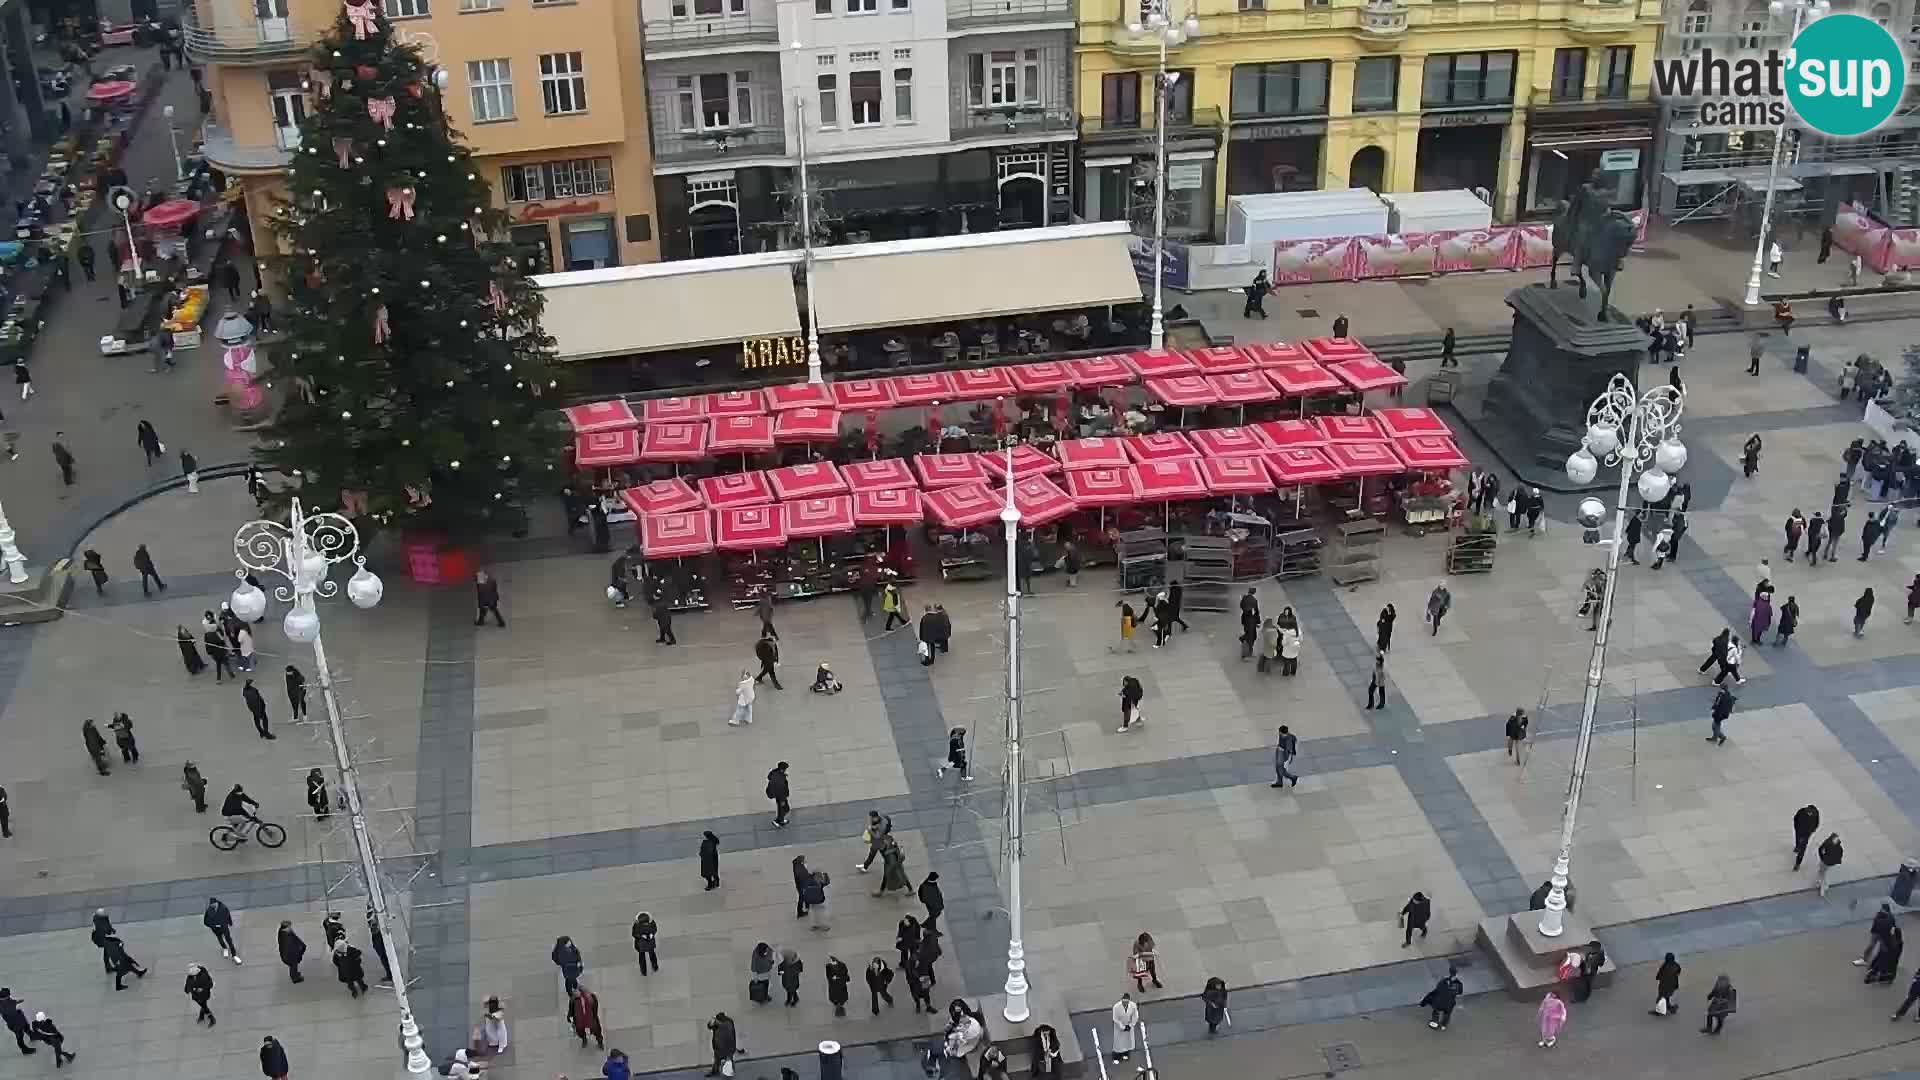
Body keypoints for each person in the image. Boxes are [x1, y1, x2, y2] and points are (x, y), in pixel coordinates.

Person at [1420, 964, 1463, 1030]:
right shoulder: (1459, 984)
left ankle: (1434, 1022)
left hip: (1439, 1002)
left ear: (1450, 972)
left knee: (1436, 1010)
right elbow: (1460, 992)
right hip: (1449, 1004)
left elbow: (1437, 989)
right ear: (1456, 974)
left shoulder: (1443, 981)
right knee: (1447, 1014)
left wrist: (1424, 1002)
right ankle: (1443, 1025)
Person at [1859, 902, 1898, 968]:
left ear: (1885, 909)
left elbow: (1893, 927)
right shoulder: (1879, 914)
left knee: (1883, 949)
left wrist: (1892, 935)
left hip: (1883, 935)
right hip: (1876, 934)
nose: (1881, 910)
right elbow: (1875, 923)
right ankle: (1865, 959)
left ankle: (1883, 962)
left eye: (1882, 909)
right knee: (1871, 946)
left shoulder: (1891, 917)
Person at [204, 897, 241, 962]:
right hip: (216, 929)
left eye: (213, 904)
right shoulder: (209, 910)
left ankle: (234, 955)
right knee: (220, 939)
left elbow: (228, 915)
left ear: (216, 903)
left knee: (229, 941)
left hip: (224, 927)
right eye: (211, 905)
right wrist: (213, 925)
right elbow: (206, 921)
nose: (212, 906)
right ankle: (225, 948)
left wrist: (230, 923)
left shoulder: (223, 908)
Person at [0, 988, 32, 1055]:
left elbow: (12, 1003)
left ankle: (32, 1035)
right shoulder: (7, 1003)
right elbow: (9, 1006)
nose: (9, 996)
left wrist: (17, 1003)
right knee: (20, 1036)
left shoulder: (8, 1000)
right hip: (14, 1023)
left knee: (26, 1027)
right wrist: (16, 1003)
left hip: (18, 1019)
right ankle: (25, 1050)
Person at [1110, 993, 1140, 1062]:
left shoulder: (1133, 1006)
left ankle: (1126, 1054)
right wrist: (1122, 1027)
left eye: (1126, 1002)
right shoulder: (1116, 1007)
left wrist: (1130, 1025)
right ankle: (1116, 1056)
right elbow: (1115, 1018)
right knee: (1118, 1043)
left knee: (1128, 1041)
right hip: (1119, 1027)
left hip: (1129, 1026)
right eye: (1124, 1002)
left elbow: (1135, 1016)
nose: (1125, 1003)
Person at [705, 1013, 737, 1077]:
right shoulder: (724, 1022)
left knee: (728, 1059)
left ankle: (729, 1072)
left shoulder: (727, 1024)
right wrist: (712, 1021)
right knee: (718, 1060)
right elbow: (709, 1026)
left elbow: (731, 1036)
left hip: (726, 1046)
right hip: (719, 1046)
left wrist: (713, 1021)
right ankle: (716, 1071)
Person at [1792, 804, 1821, 870]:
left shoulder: (1815, 814)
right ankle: (1797, 847)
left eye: (1810, 812)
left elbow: (1816, 823)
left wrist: (1811, 831)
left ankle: (1798, 863)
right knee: (1797, 840)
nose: (1809, 813)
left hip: (1806, 834)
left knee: (1802, 848)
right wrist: (1796, 828)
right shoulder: (1802, 811)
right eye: (1808, 812)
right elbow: (1795, 818)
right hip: (1799, 831)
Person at [1652, 952, 1681, 1016]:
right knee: (1666, 997)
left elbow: (1659, 976)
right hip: (1672, 986)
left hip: (1664, 986)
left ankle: (1659, 1012)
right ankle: (1670, 1008)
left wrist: (1659, 978)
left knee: (1660, 999)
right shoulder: (1676, 965)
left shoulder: (1665, 966)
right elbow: (1679, 972)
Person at [766, 762, 791, 827]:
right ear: (782, 769)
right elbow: (780, 789)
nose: (786, 770)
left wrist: (784, 775)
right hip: (781, 796)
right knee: (784, 809)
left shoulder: (777, 773)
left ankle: (781, 820)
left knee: (783, 809)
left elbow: (770, 777)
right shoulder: (778, 778)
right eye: (785, 769)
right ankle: (777, 821)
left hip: (780, 795)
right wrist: (782, 799)